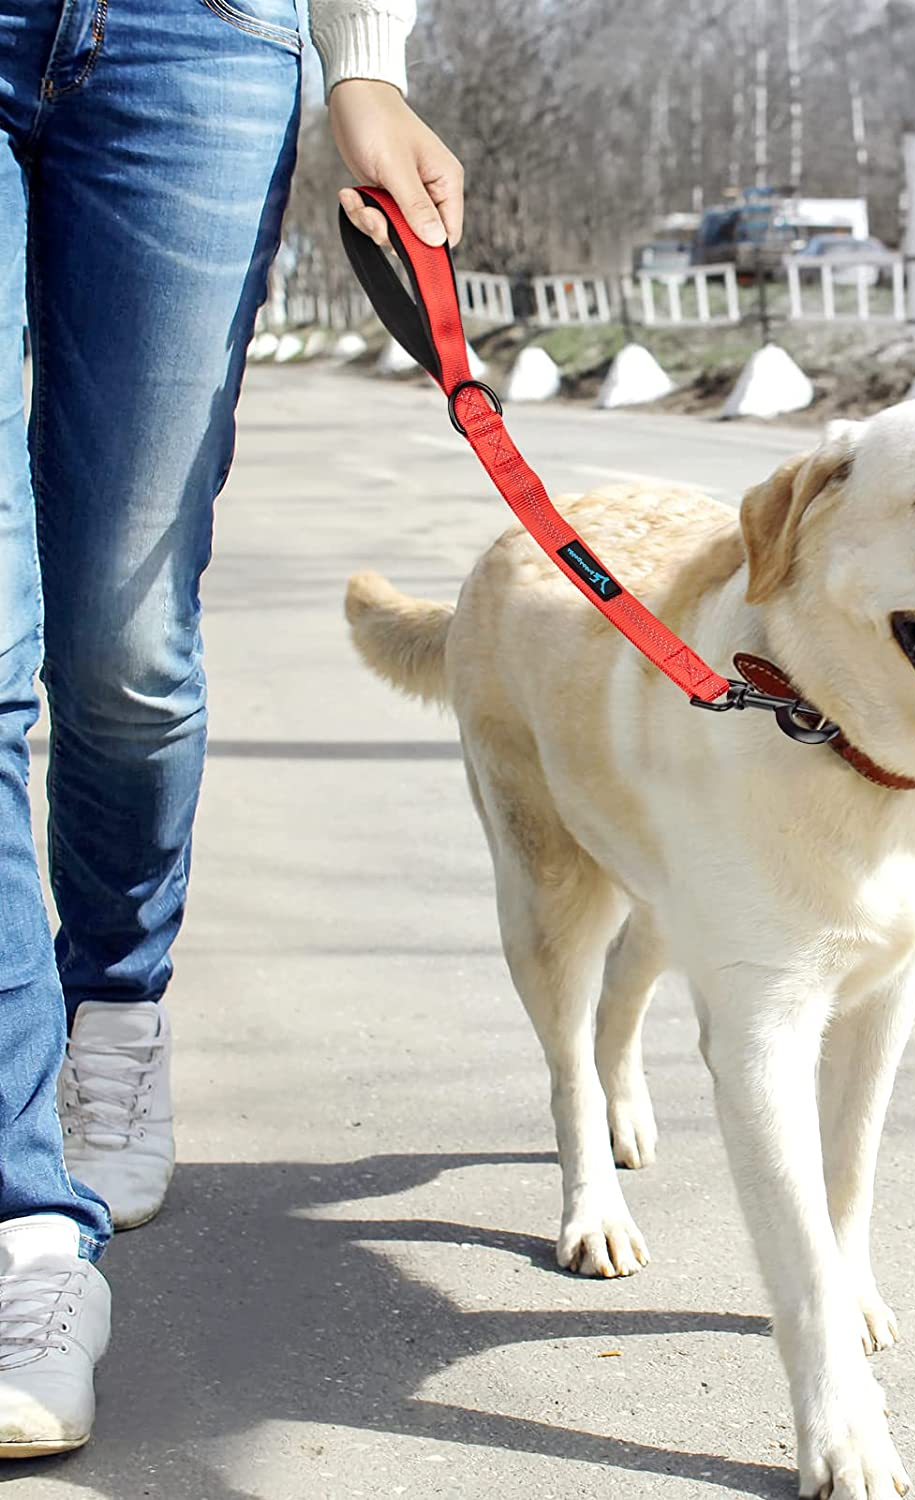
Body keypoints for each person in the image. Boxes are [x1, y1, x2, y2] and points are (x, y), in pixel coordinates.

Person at [0, 0, 463, 1456]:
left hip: (197, 39)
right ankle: (24, 1235)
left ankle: (116, 1003)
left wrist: (367, 67)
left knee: (125, 650)